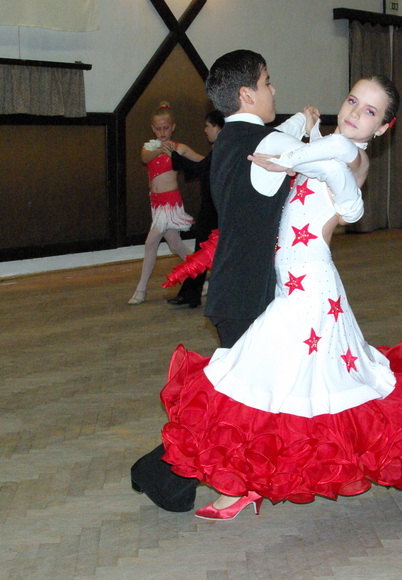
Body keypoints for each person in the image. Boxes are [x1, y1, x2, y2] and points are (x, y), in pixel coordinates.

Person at [161, 76, 402, 519]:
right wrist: (299, 133)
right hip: (292, 282)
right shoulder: (324, 145)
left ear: (383, 128)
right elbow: (299, 158)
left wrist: (288, 153)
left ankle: (241, 486)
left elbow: (327, 164)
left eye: (369, 111)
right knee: (322, 386)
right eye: (352, 100)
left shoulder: (352, 155)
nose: (355, 112)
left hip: (309, 288)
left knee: (254, 370)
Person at [131, 50, 334, 512]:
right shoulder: (263, 143)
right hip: (247, 296)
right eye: (267, 82)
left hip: (236, 290)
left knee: (245, 400)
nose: (274, 89)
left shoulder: (230, 139)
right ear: (246, 93)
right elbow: (314, 154)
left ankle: (178, 474)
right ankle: (160, 471)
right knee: (236, 406)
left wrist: (300, 123)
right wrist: (330, 128)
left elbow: (281, 136)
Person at [128, 102, 202, 305]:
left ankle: (141, 290)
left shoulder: (179, 148)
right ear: (153, 129)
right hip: (156, 203)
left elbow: (202, 161)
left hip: (170, 203)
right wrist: (161, 149)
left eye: (166, 128)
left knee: (151, 243)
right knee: (176, 245)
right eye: (158, 128)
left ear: (173, 127)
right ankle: (201, 280)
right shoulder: (150, 147)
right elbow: (145, 157)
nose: (162, 132)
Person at [166, 110, 224, 308]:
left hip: (214, 211)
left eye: (208, 126)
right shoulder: (221, 148)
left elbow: (199, 169)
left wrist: (174, 156)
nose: (205, 130)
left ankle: (192, 295)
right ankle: (191, 294)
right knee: (203, 252)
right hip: (213, 209)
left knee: (203, 252)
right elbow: (202, 169)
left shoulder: (222, 149)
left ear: (217, 127)